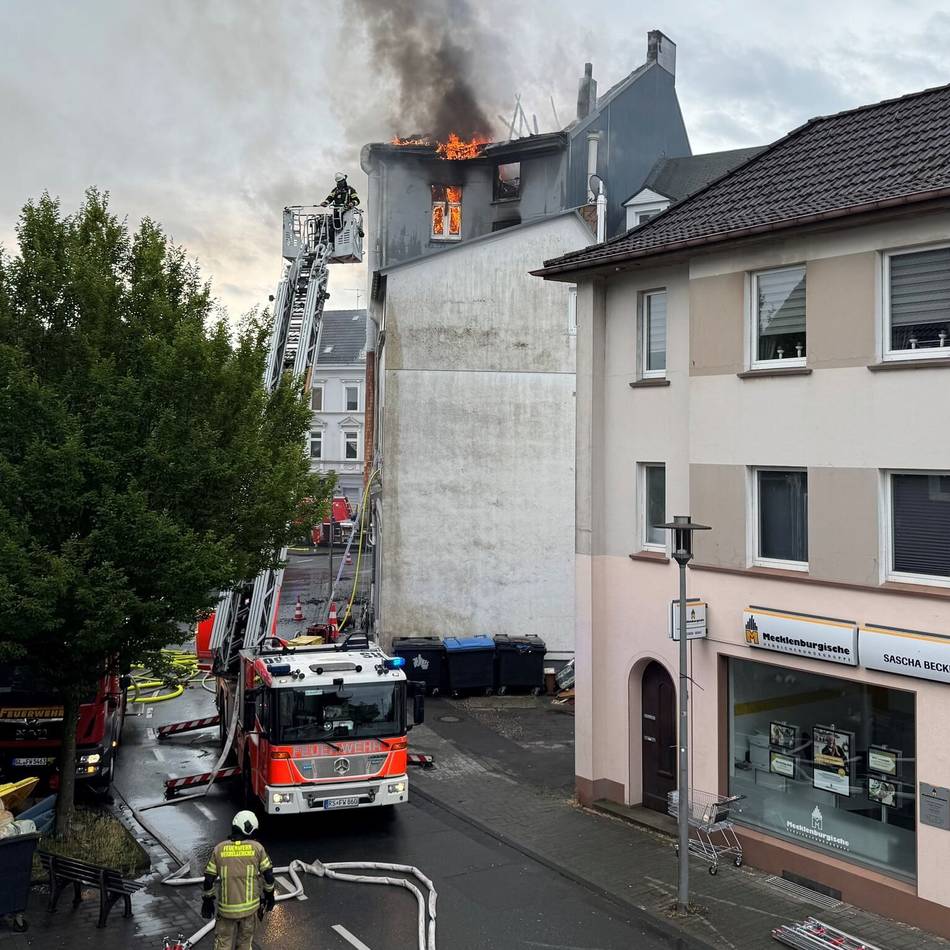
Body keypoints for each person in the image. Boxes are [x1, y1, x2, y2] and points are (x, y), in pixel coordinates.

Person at [202, 810, 275, 950]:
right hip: (250, 910)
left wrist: (207, 900)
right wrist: (269, 896)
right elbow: (269, 876)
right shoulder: (257, 848)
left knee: (222, 944)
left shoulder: (219, 849)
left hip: (226, 911)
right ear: (250, 829)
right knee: (245, 944)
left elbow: (208, 880)